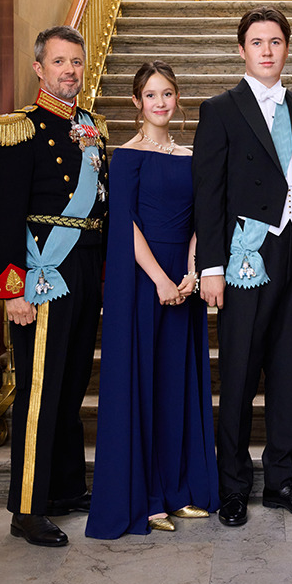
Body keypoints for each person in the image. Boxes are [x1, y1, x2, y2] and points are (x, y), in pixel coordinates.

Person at [192, 5, 292, 527]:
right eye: (257, 42)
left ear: (287, 48)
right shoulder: (221, 108)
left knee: (288, 372)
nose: (267, 50)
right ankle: (233, 487)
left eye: (275, 41)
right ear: (242, 49)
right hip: (246, 255)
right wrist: (210, 266)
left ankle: (280, 483)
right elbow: (209, 194)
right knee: (240, 372)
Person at [0, 26, 109, 547]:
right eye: (59, 62)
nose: (70, 71)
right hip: (42, 274)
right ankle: (27, 507)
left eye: (76, 62)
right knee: (37, 392)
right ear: (40, 68)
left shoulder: (92, 129)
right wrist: (12, 290)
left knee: (72, 383)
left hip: (84, 272)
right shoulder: (19, 129)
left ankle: (64, 487)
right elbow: (0, 214)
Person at [86, 61, 219, 538]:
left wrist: (190, 271)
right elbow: (124, 226)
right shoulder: (124, 155)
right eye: (151, 95)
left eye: (167, 94)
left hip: (182, 279)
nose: (160, 103)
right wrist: (162, 280)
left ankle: (180, 490)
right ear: (137, 103)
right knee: (141, 383)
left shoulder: (190, 155)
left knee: (175, 385)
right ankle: (145, 499)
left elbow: (201, 219)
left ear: (176, 98)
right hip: (141, 280)